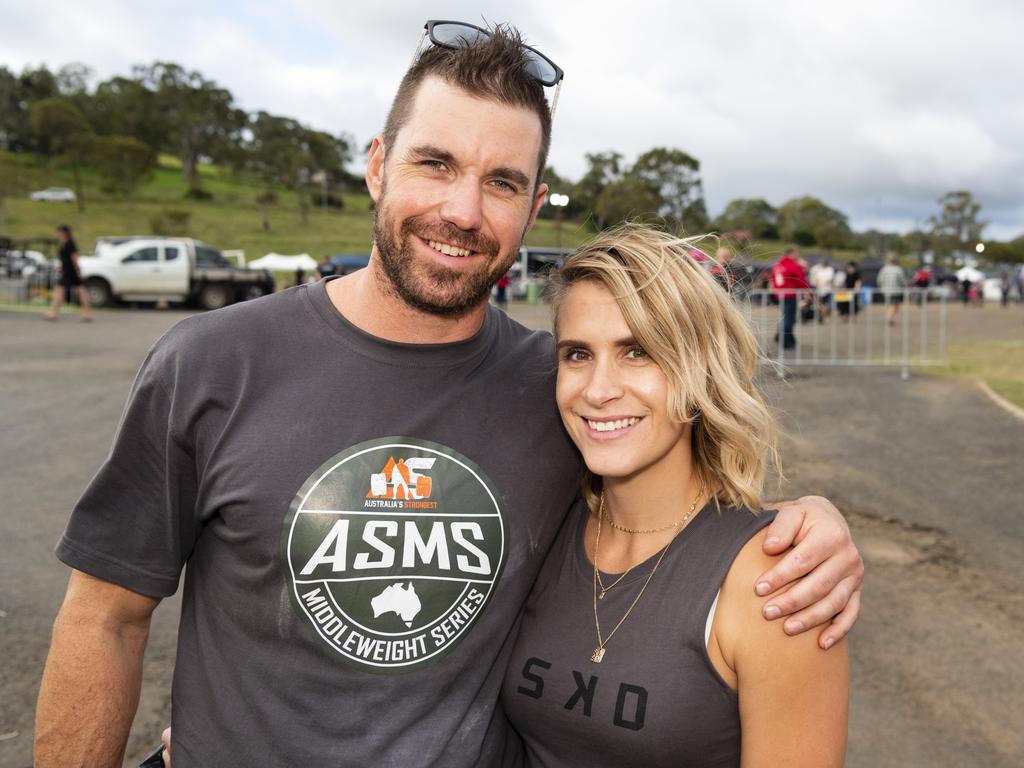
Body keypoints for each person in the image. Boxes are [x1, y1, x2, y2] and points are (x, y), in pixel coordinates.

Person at [35, 21, 863, 768]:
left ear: (534, 208)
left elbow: (667, 477)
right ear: (376, 164)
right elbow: (104, 619)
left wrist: (811, 526)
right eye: (436, 163)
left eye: (502, 182)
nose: (462, 211)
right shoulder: (211, 363)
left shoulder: (558, 387)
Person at [503, 225, 848, 766]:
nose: (597, 390)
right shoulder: (544, 524)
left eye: (637, 351)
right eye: (577, 354)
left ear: (701, 370)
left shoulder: (776, 583)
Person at [43, 224, 93, 322]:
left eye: (60, 232)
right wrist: (60, 268)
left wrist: (78, 270)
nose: (58, 234)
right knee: (78, 291)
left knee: (72, 292)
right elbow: (64, 259)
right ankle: (87, 313)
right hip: (66, 271)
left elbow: (75, 257)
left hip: (71, 272)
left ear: (65, 232)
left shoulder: (70, 243)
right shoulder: (63, 243)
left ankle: (54, 313)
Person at [770, 246, 808, 349]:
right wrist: (808, 292)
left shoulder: (777, 265)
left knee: (785, 317)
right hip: (790, 294)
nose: (798, 256)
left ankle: (783, 337)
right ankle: (785, 340)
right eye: (797, 254)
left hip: (780, 294)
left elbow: (773, 279)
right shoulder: (793, 265)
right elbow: (801, 280)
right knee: (788, 318)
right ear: (792, 254)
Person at [876, 254, 908, 326]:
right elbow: (902, 281)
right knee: (893, 305)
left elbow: (879, 280)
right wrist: (905, 286)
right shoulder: (898, 269)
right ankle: (889, 319)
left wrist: (881, 288)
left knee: (893, 305)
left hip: (885, 290)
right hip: (895, 291)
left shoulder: (884, 269)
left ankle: (890, 318)